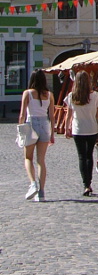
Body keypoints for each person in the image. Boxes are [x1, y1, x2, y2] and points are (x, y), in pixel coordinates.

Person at [65, 70, 98, 197]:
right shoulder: (95, 96)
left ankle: (85, 184)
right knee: (89, 155)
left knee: (81, 156)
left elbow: (69, 115)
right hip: (92, 128)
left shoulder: (72, 96)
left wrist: (66, 128)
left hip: (78, 129)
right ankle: (89, 182)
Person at [19, 70, 55, 202]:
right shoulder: (49, 95)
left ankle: (33, 183)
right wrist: (52, 133)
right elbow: (52, 116)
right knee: (41, 160)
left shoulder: (28, 93)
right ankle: (41, 192)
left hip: (31, 124)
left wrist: (20, 130)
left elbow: (22, 114)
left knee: (28, 157)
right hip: (44, 125)